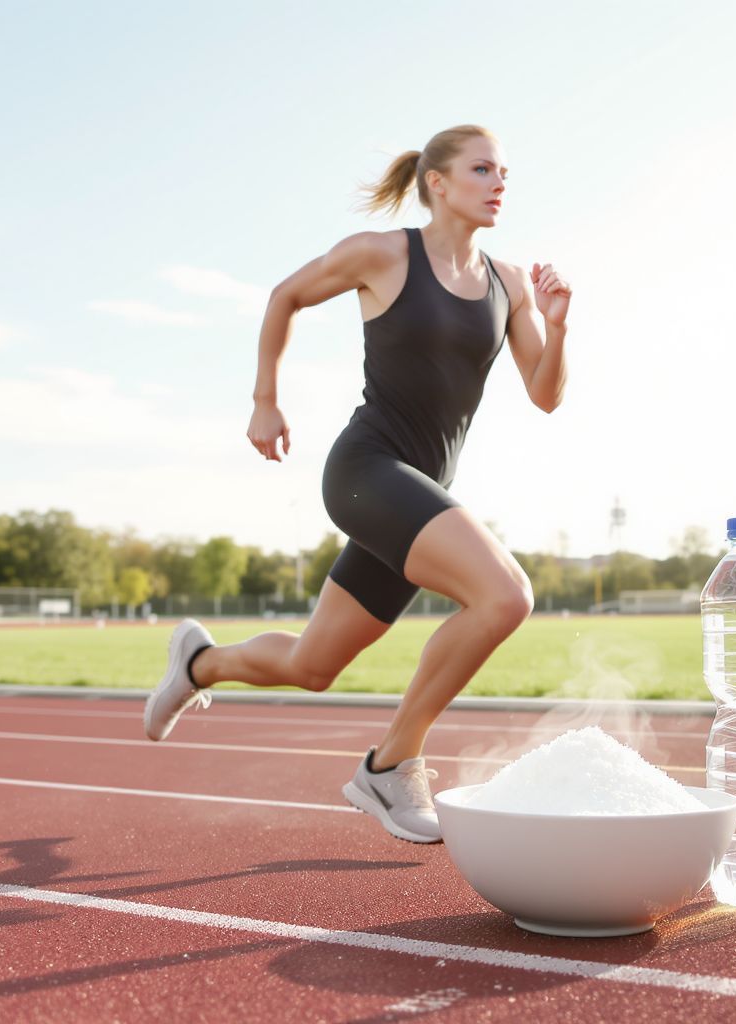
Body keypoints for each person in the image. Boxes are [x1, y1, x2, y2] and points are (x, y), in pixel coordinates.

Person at [144, 124, 571, 844]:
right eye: (483, 169)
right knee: (504, 596)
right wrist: (264, 399)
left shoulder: (513, 283)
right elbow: (286, 296)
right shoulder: (383, 254)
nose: (500, 183)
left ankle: (198, 661)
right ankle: (391, 763)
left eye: (505, 172)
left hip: (417, 492)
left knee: (313, 666)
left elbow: (546, 393)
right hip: (368, 472)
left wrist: (557, 328)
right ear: (437, 182)